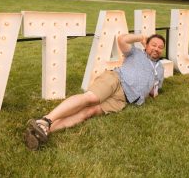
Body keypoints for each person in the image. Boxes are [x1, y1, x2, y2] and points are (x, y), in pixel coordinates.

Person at [24, 33, 166, 150]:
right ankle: (46, 120)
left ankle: (42, 131)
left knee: (88, 112)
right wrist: (140, 37)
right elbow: (121, 39)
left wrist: (150, 92)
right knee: (90, 98)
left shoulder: (160, 69)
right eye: (153, 45)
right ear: (146, 45)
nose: (156, 49)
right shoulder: (135, 53)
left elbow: (155, 89)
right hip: (116, 80)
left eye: (160, 47)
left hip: (123, 100)